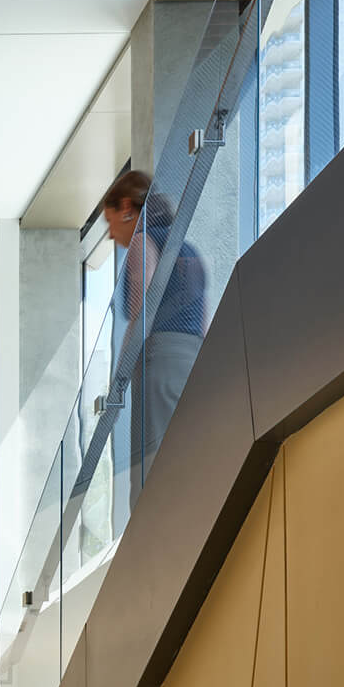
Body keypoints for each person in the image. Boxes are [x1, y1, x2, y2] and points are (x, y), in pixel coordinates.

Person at [102, 169, 207, 503]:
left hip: (159, 363)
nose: (110, 234)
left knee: (151, 473)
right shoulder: (187, 249)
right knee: (184, 462)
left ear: (126, 208)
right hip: (193, 364)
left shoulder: (142, 241)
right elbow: (202, 323)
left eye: (109, 222)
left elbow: (141, 315)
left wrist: (119, 380)